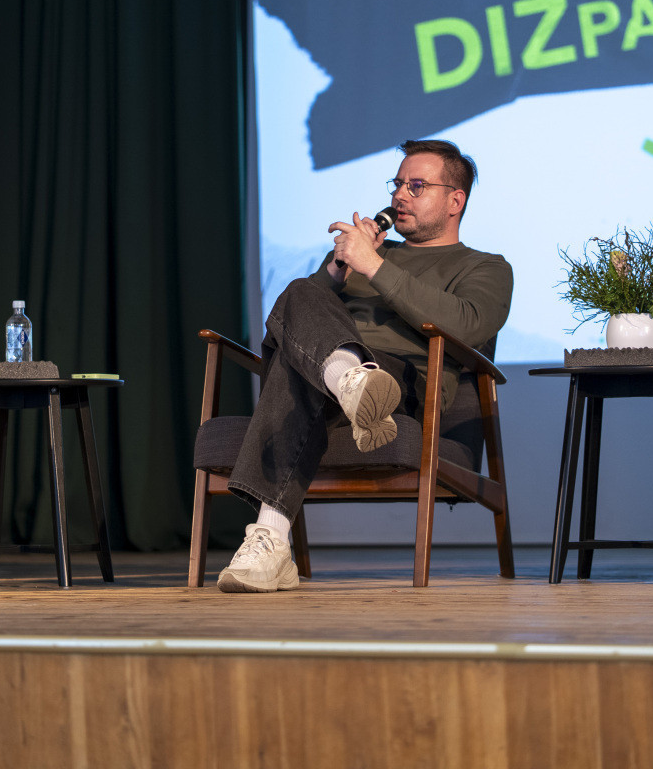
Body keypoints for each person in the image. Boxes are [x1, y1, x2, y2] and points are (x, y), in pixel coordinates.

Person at [217, 139, 513, 593]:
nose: (400, 195)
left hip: (405, 385)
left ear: (455, 201)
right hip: (327, 378)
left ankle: (270, 537)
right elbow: (285, 322)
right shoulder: (360, 258)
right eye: (397, 184)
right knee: (301, 291)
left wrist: (373, 265)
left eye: (417, 186)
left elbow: (468, 325)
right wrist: (337, 270)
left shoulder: (485, 266)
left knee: (300, 376)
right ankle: (346, 378)